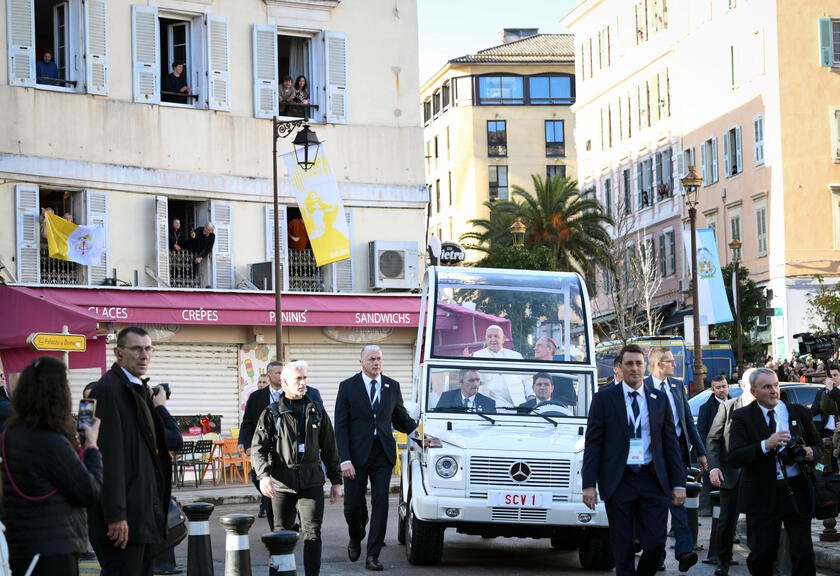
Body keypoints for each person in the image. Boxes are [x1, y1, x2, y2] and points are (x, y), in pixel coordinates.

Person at [582, 344, 686, 576]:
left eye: (639, 363)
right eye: (629, 363)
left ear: (645, 366)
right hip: (620, 481)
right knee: (623, 546)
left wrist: (679, 483)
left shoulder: (658, 398)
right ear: (619, 367)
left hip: (653, 479)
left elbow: (670, 444)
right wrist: (589, 484)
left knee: (656, 543)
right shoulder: (604, 399)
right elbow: (594, 444)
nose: (635, 368)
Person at [1, 356, 103, 575]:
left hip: (24, 546)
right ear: (58, 394)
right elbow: (88, 492)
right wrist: (92, 446)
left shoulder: (12, 434)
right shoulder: (50, 441)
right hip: (52, 551)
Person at [87, 326, 174, 576]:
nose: (144, 355)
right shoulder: (108, 390)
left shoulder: (137, 388)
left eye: (148, 349)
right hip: (124, 520)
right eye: (136, 349)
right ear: (118, 353)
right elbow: (108, 458)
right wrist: (116, 515)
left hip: (143, 513)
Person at [251, 361, 342, 576]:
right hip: (281, 483)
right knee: (281, 534)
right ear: (284, 383)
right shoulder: (272, 412)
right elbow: (258, 448)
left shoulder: (316, 410)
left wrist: (336, 481)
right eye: (298, 379)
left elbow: (330, 447)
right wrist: (263, 476)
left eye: (305, 379)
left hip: (311, 481)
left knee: (312, 533)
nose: (303, 383)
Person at [728, 367, 820, 576]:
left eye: (776, 385)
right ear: (753, 391)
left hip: (796, 490)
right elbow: (734, 457)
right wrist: (764, 445)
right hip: (762, 493)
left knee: (804, 552)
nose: (774, 391)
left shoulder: (798, 412)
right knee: (762, 554)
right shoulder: (742, 417)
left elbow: (818, 445)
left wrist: (810, 452)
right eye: (767, 387)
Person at [334, 345, 418, 571]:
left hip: (383, 454)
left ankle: (372, 555)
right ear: (362, 362)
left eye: (379, 359)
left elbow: (401, 419)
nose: (376, 363)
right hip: (356, 456)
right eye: (372, 359)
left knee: (380, 503)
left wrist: (421, 436)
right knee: (353, 506)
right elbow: (340, 427)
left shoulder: (392, 386)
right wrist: (344, 459)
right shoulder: (347, 387)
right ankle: (355, 535)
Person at [643, 347, 705, 571]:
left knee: (679, 501)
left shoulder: (677, 386)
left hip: (678, 453)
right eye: (670, 362)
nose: (674, 365)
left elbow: (688, 421)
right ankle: (656, 557)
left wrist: (700, 452)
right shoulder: (644, 387)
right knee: (659, 506)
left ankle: (684, 552)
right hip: (653, 458)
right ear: (658, 364)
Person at [706, 368, 756, 576]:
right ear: (743, 386)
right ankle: (723, 560)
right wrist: (715, 466)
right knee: (726, 521)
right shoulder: (728, 408)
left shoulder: (769, 409)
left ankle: (760, 562)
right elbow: (713, 438)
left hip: (757, 475)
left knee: (759, 521)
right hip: (731, 475)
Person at [471, 325, 532, 406]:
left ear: (503, 339)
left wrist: (531, 397)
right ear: (486, 339)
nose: (493, 339)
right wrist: (466, 363)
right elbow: (470, 381)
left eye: (496, 336)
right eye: (489, 337)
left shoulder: (516, 356)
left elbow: (528, 379)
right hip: (490, 406)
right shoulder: (476, 356)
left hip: (518, 404)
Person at [697, 373, 730, 516]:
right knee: (711, 484)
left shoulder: (736, 403)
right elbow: (702, 433)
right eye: (718, 388)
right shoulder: (705, 408)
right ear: (713, 390)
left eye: (724, 386)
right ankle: (708, 510)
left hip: (731, 453)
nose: (722, 390)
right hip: (713, 453)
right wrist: (705, 454)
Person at [533, 337, 577, 404]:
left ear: (549, 349)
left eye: (539, 345)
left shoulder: (562, 373)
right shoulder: (531, 368)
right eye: (535, 346)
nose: (535, 348)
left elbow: (569, 398)